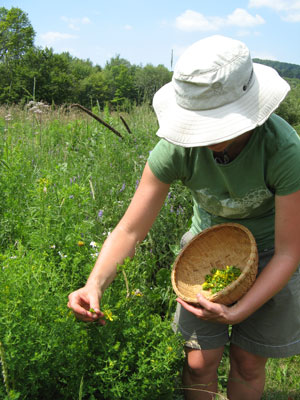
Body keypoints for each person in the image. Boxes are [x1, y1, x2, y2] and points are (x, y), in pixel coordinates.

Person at [68, 35, 300, 400]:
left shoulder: (283, 150)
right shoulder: (177, 149)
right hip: (204, 256)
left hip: (270, 257)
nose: (207, 136)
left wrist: (240, 311)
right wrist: (94, 284)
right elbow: (130, 229)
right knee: (197, 364)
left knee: (248, 362)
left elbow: (289, 251)